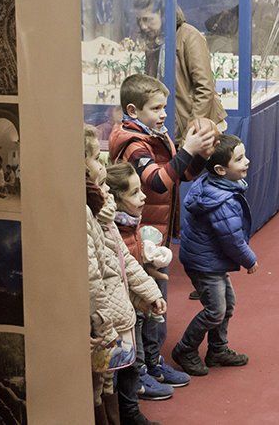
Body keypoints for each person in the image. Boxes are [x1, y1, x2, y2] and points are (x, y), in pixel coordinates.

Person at [108, 74, 214, 394]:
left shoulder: (155, 133)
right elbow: (154, 181)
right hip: (136, 237)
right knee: (143, 308)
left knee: (156, 305)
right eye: (156, 108)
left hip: (157, 234)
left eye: (164, 106)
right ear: (132, 109)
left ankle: (153, 361)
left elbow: (180, 174)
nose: (164, 113)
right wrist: (188, 149)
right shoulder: (131, 142)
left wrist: (201, 153)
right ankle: (138, 370)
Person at [85, 125, 166, 425]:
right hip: (110, 319)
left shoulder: (104, 218)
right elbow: (95, 279)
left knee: (122, 372)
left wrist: (151, 292)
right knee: (103, 382)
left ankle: (127, 415)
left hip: (120, 315)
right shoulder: (95, 217)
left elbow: (126, 264)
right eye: (95, 158)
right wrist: (103, 324)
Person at [171, 134, 259, 376]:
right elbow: (231, 239)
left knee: (227, 304)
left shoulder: (218, 185)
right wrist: (249, 260)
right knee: (215, 310)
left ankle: (218, 349)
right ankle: (185, 349)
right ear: (220, 169)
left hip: (208, 259)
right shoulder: (221, 202)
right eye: (240, 159)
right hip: (204, 263)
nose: (247, 161)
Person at [106, 161, 189, 402]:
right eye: (134, 192)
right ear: (116, 199)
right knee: (134, 346)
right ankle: (140, 377)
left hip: (137, 296)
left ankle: (150, 366)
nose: (143, 197)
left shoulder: (131, 221)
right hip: (125, 303)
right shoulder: (115, 229)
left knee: (147, 330)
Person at [174, 6, 228, 146]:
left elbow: (204, 87)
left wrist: (191, 132)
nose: (144, 26)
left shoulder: (189, 35)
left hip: (199, 127)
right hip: (176, 126)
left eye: (147, 19)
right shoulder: (157, 40)